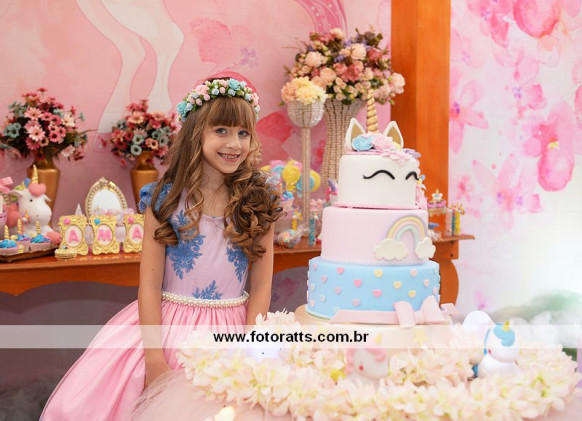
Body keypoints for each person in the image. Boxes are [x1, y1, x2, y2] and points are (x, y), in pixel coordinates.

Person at [41, 77, 282, 421]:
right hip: (167, 330)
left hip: (233, 331)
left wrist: (249, 348)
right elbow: (150, 285)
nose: (235, 143)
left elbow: (261, 287)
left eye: (244, 133)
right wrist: (154, 359)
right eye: (222, 130)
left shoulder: (258, 202)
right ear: (197, 133)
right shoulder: (164, 200)